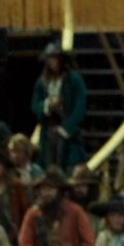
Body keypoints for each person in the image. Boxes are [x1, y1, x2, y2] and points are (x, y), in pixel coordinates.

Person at [31, 41, 88, 172]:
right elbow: (35, 104)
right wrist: (47, 105)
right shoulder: (42, 82)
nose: (51, 62)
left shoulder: (73, 79)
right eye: (49, 59)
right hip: (48, 128)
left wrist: (67, 127)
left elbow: (80, 106)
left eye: (54, 58)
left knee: (68, 164)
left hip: (66, 129)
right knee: (48, 164)